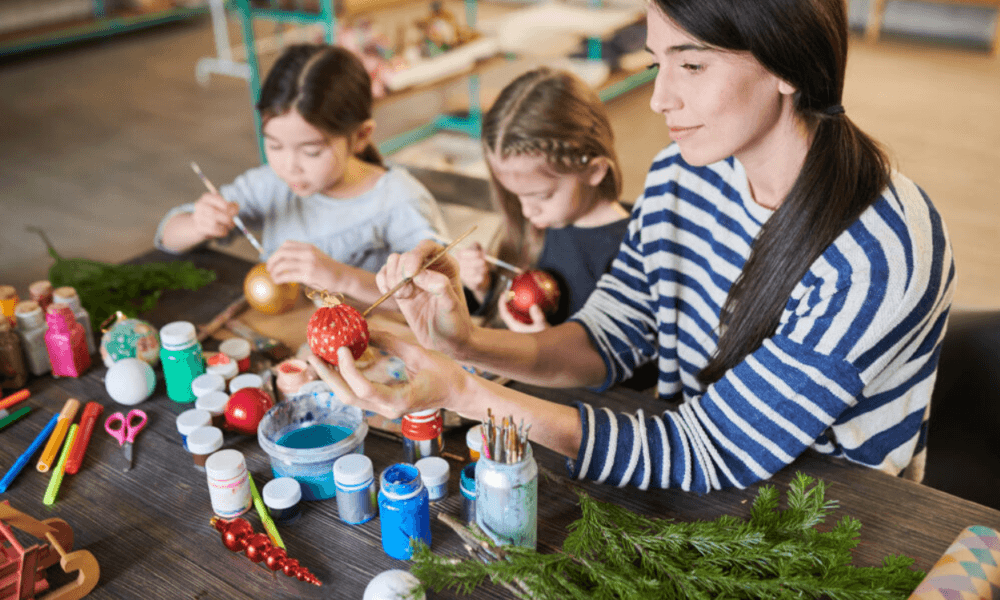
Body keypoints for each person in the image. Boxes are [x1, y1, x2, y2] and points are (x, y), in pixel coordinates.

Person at [310, 0, 955, 493]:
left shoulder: (878, 252)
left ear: (786, 63)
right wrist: (462, 343)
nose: (659, 98)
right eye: (658, 61)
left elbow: (709, 449)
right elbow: (613, 336)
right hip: (695, 484)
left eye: (692, 64)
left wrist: (462, 392)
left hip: (832, 518)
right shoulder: (683, 172)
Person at [156, 44, 448, 306]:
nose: (289, 166)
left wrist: (341, 277)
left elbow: (438, 298)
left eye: (310, 151)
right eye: (274, 145)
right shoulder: (270, 185)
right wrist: (199, 224)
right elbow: (167, 236)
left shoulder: (397, 200)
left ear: (361, 136)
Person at [456, 67, 630, 332]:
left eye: (542, 196)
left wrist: (546, 347)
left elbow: (628, 367)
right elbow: (511, 311)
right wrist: (484, 288)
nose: (527, 211)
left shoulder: (628, 254)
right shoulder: (546, 221)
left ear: (594, 171)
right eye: (516, 195)